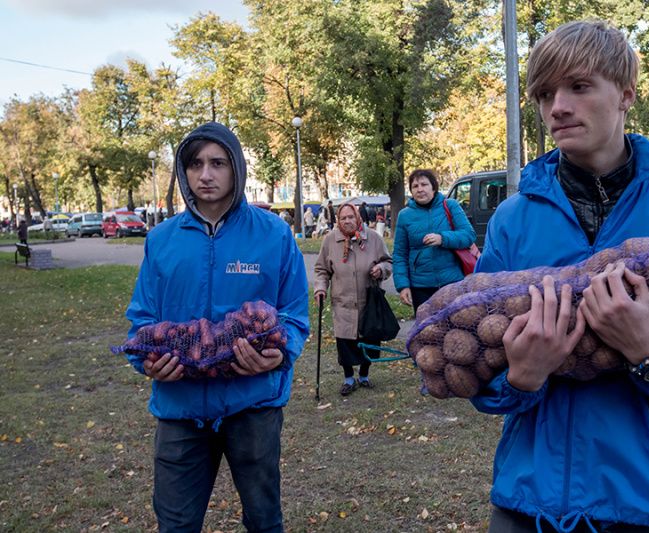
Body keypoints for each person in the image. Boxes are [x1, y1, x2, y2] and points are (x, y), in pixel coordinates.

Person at [471, 21, 649, 533]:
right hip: (526, 504)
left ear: (626, 94)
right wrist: (523, 376)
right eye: (545, 93)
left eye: (578, 86)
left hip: (647, 503)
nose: (557, 108)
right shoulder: (512, 219)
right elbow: (479, 363)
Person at [124, 122, 310, 532]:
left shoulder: (274, 235)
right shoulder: (161, 240)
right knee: (175, 523)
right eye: (195, 164)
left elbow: (295, 316)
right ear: (184, 172)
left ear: (237, 168)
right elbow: (141, 320)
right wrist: (147, 363)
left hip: (253, 405)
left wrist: (281, 354)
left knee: (264, 520)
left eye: (217, 163)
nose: (205, 174)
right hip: (179, 408)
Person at [313, 203, 393, 395]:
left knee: (370, 341)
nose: (347, 221)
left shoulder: (373, 238)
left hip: (369, 302)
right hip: (343, 303)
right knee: (345, 344)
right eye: (343, 218)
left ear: (358, 218)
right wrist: (320, 288)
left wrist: (381, 269)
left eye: (351, 217)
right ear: (337, 220)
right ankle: (348, 378)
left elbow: (388, 262)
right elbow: (321, 270)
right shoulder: (330, 240)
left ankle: (364, 375)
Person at [393, 169, 476, 313]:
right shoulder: (404, 215)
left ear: (433, 187)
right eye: (415, 186)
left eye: (424, 184)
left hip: (452, 283)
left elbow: (468, 235)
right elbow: (399, 254)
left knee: (456, 328)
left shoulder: (450, 205)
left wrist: (442, 238)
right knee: (427, 331)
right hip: (421, 287)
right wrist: (403, 286)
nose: (420, 189)